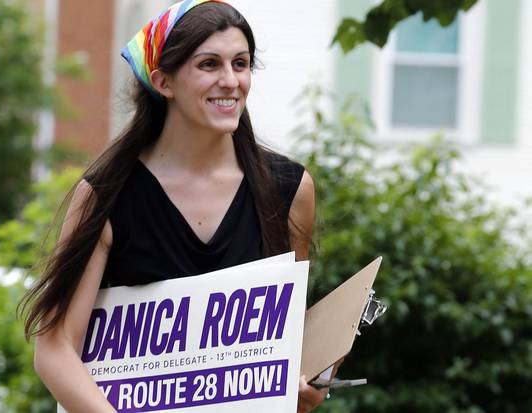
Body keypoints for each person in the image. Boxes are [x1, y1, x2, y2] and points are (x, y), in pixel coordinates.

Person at [20, 1, 335, 411]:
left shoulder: (289, 189)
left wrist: (304, 385)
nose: (230, 81)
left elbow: (285, 338)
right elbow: (55, 347)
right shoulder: (107, 193)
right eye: (209, 65)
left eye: (240, 64)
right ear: (163, 81)